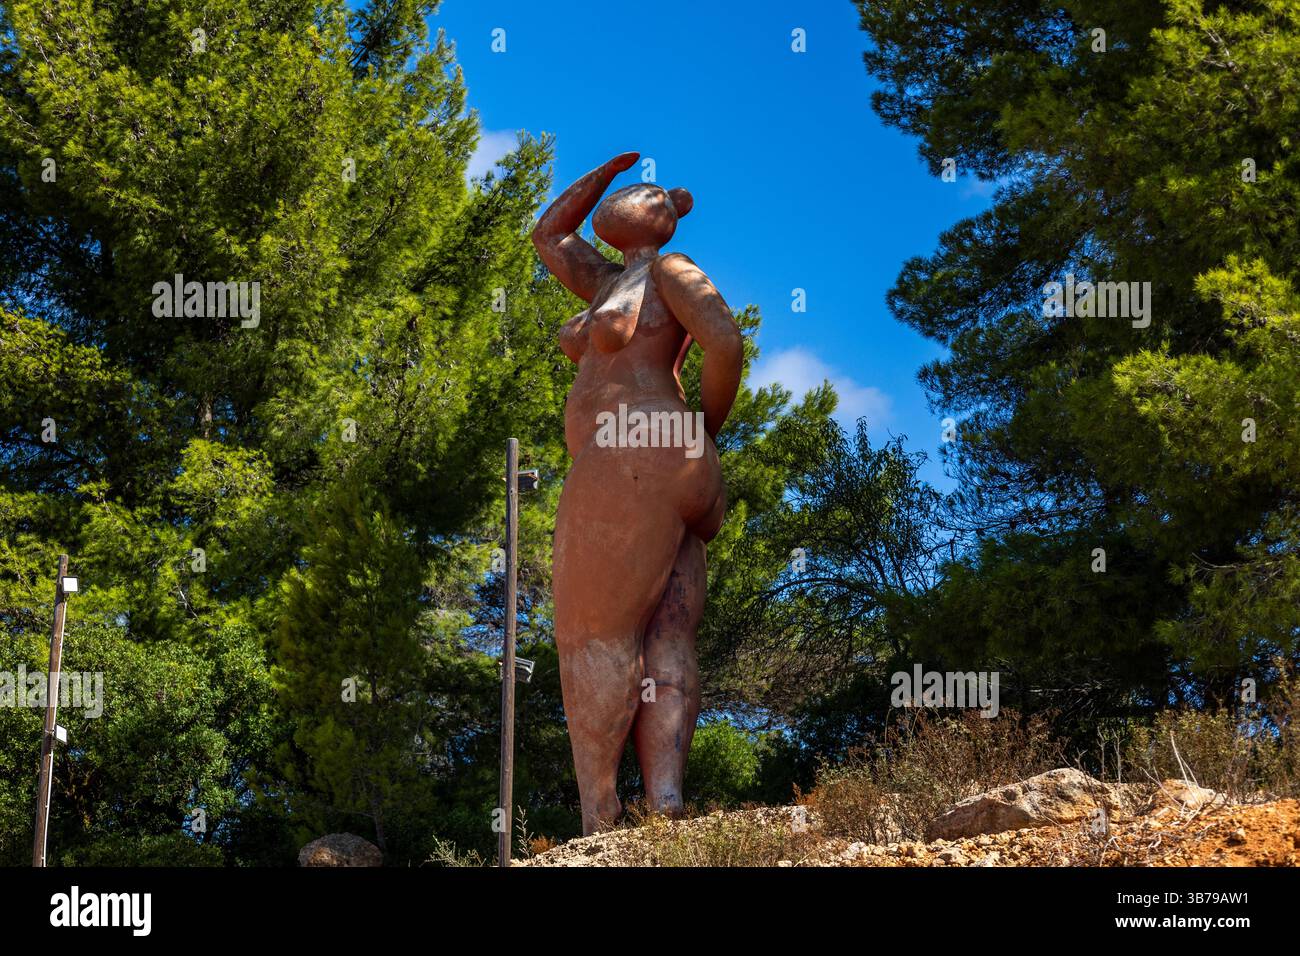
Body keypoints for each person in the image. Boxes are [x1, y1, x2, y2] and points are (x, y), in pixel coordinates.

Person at [533, 151, 743, 834]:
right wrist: (602, 171)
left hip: (636, 450)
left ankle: (600, 820)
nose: (630, 192)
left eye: (645, 190)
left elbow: (724, 340)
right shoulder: (607, 280)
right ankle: (668, 808)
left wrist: (699, 429)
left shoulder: (667, 272)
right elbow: (548, 235)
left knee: (591, 632)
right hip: (662, 463)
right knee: (667, 629)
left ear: (667, 216)